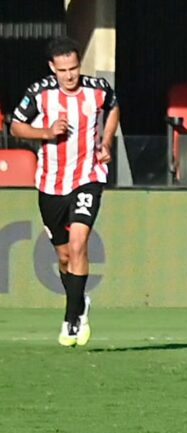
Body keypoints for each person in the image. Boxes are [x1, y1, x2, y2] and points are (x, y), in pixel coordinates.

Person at [10, 36, 120, 347]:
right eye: (63, 70)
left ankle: (71, 320)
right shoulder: (39, 93)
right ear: (52, 68)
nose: (70, 75)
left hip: (88, 177)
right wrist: (46, 132)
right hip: (51, 183)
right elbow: (16, 126)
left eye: (74, 68)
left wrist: (106, 142)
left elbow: (113, 108)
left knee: (79, 243)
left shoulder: (97, 89)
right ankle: (79, 302)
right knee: (63, 256)